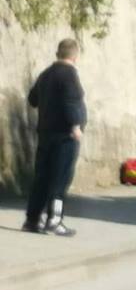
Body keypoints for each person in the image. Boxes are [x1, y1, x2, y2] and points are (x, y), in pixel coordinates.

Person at [23, 38, 86, 236]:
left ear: (58, 53)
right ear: (75, 56)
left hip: (45, 133)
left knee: (42, 177)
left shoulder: (45, 74)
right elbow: (71, 99)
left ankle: (32, 220)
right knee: (60, 179)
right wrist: (75, 125)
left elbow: (32, 99)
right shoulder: (69, 74)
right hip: (64, 135)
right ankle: (55, 220)